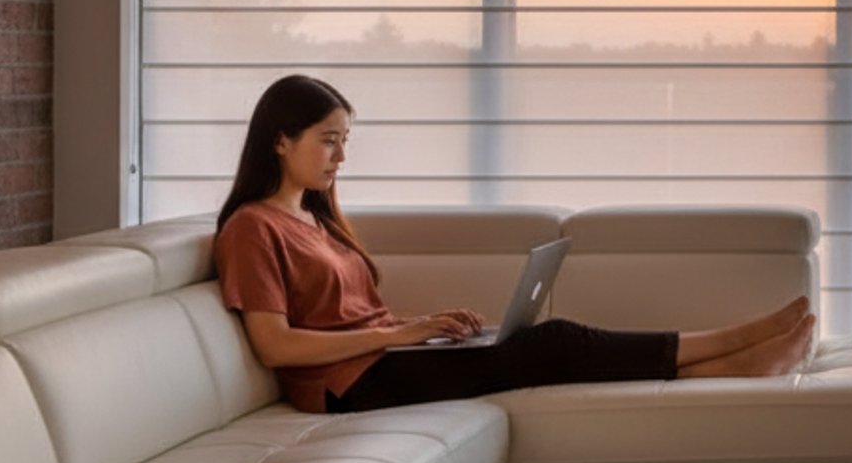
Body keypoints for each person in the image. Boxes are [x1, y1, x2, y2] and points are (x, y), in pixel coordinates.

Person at [212, 74, 816, 415]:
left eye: (346, 141)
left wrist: (422, 328)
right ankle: (735, 344)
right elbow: (274, 345)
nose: (341, 157)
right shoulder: (252, 228)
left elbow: (352, 316)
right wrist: (398, 335)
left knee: (534, 340)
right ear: (280, 141)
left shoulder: (319, 220)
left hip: (386, 363)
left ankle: (727, 364)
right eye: (328, 141)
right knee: (554, 340)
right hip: (347, 388)